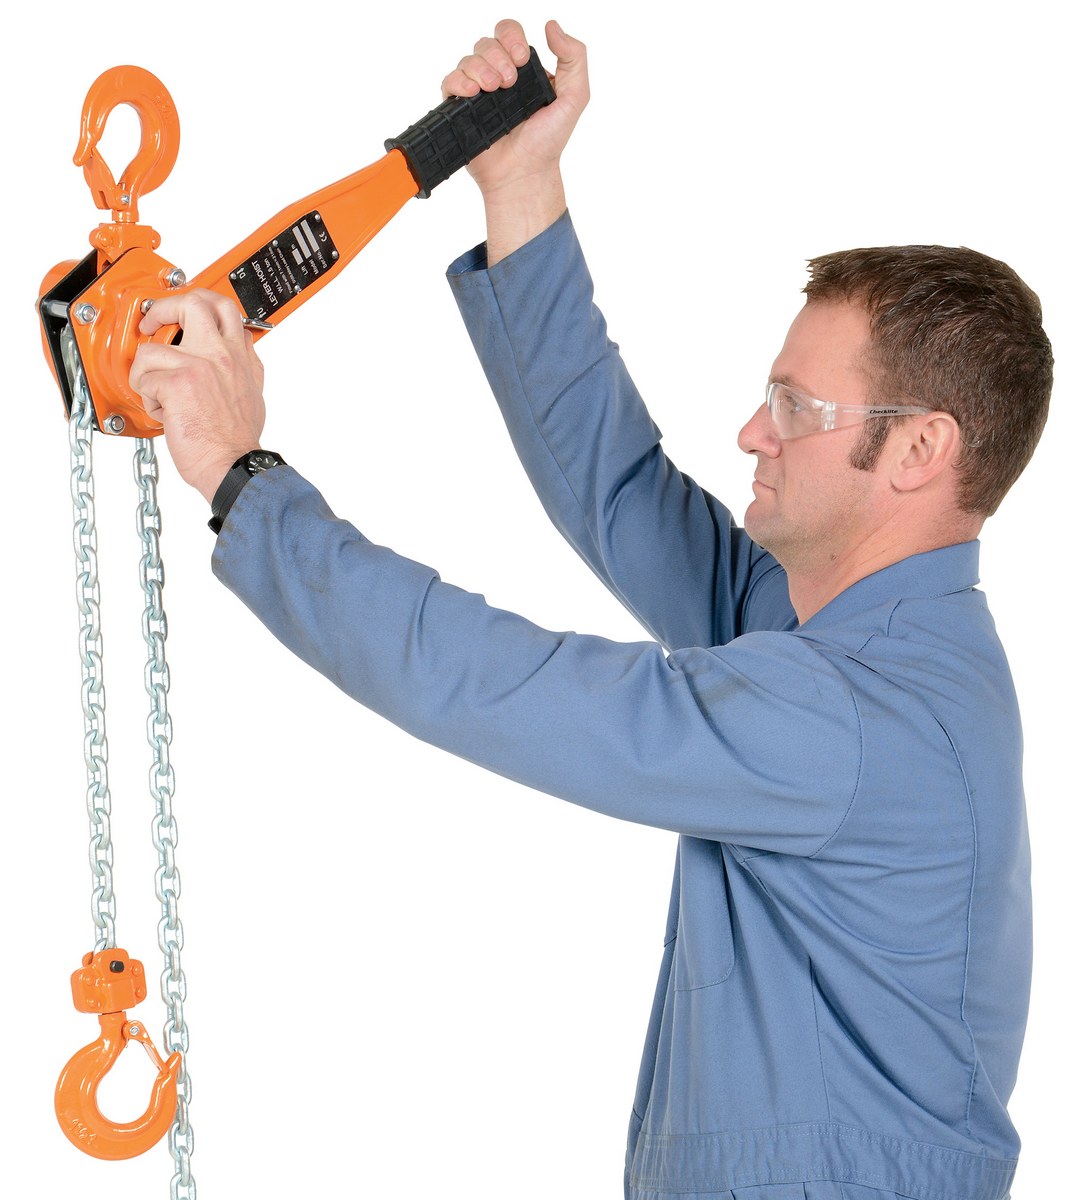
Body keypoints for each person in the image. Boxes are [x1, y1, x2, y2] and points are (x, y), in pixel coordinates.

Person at [129, 20, 1052, 1200]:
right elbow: (621, 491)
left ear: (919, 450)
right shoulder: (818, 630)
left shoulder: (858, 716)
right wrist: (520, 185)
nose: (751, 432)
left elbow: (504, 687)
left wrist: (238, 472)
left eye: (795, 408)